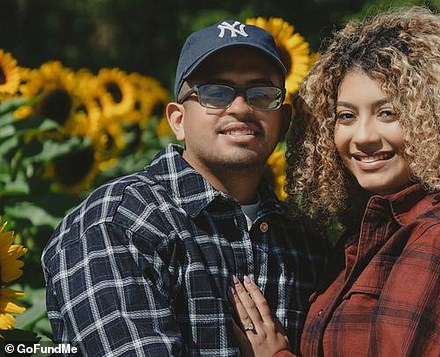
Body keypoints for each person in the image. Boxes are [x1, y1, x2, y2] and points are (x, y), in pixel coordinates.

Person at [230, 6, 440, 356]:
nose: (363, 136)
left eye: (389, 113)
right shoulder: (371, 234)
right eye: (346, 116)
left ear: (438, 120)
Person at [42, 19, 326, 356]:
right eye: (215, 93)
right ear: (178, 120)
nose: (240, 107)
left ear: (283, 122)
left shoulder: (306, 242)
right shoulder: (121, 223)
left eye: (262, 94)